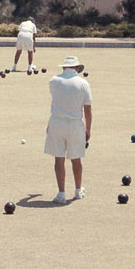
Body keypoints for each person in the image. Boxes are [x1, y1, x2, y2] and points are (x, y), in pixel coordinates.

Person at [45, 56, 92, 205]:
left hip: (56, 122)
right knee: (76, 159)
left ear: (64, 68)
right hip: (75, 124)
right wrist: (88, 129)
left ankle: (61, 193)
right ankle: (78, 191)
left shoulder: (53, 80)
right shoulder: (84, 83)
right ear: (77, 68)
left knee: (59, 158)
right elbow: (88, 110)